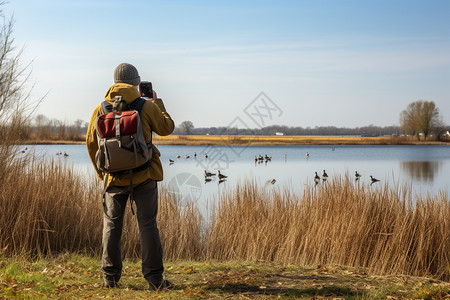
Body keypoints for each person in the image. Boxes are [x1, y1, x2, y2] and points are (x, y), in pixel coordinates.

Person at [86, 63, 175, 290]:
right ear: (137, 83)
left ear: (114, 82)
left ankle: (110, 278)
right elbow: (166, 128)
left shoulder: (101, 109)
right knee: (147, 226)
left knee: (112, 226)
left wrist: (102, 174)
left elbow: (91, 143)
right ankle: (155, 280)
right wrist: (157, 103)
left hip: (113, 180)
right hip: (144, 175)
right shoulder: (145, 106)